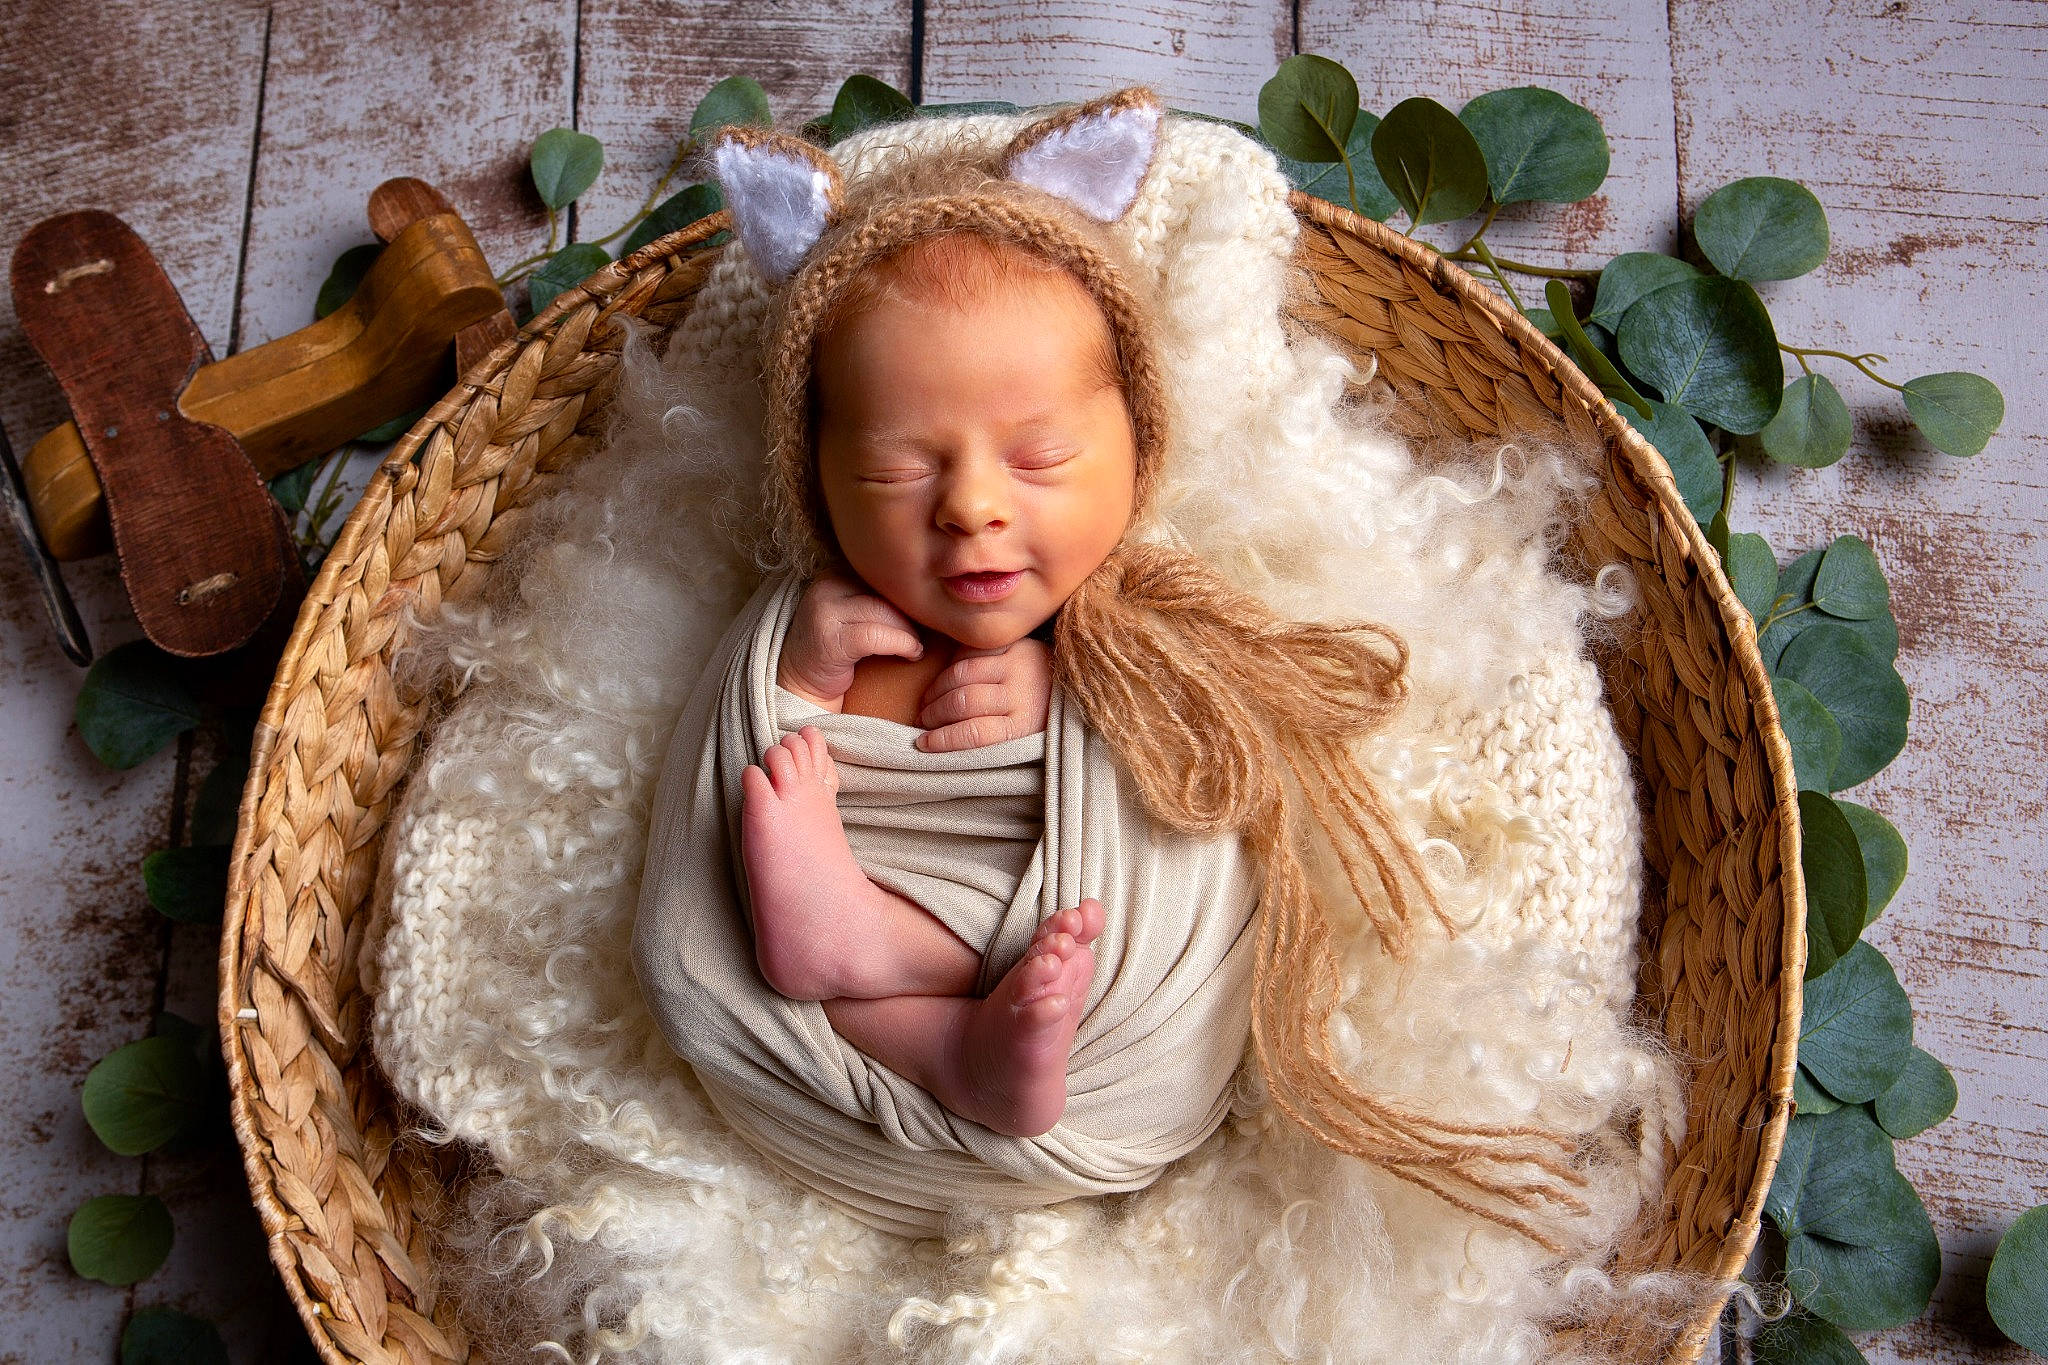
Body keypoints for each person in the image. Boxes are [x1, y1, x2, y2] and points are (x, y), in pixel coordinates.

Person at [632, 87, 1588, 1244]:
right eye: (894, 472)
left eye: (1039, 458)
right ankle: (918, 1009)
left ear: (1134, 447)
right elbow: (721, 772)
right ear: (815, 482)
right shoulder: (808, 617)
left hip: (1099, 1046)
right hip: (824, 1072)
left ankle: (890, 959)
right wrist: (799, 683)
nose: (973, 508)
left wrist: (1076, 700)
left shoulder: (1131, 630)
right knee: (708, 928)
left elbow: (1211, 782)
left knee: (1095, 896)